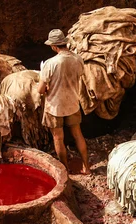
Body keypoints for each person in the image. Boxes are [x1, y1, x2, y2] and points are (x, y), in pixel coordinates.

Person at [37, 29, 91, 174]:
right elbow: (78, 76)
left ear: (54, 46)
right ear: (64, 43)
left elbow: (40, 90)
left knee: (58, 138)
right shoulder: (78, 59)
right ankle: (86, 167)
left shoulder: (50, 63)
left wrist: (47, 87)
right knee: (78, 135)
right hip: (73, 103)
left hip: (55, 107)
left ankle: (65, 170)